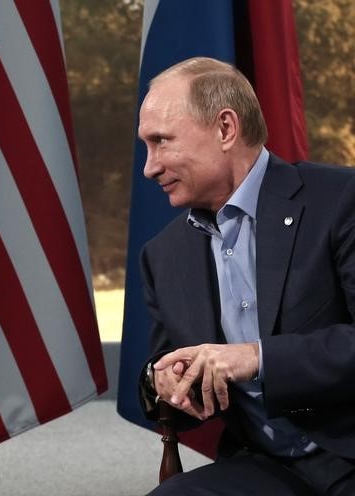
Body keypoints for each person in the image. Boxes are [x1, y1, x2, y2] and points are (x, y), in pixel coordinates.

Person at [137, 57, 355, 495]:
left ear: (225, 129)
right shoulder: (164, 255)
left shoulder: (339, 201)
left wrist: (257, 358)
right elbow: (174, 393)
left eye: (161, 142)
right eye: (147, 146)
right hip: (265, 465)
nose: (150, 167)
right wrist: (161, 381)